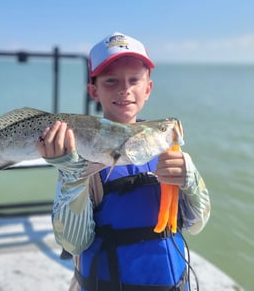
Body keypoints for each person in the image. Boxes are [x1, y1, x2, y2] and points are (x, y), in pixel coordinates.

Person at [36, 32, 211, 291]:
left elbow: (196, 223)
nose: (124, 89)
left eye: (134, 80)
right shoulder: (79, 156)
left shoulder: (167, 150)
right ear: (93, 91)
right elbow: (73, 243)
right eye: (111, 81)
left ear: (148, 88)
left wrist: (191, 180)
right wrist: (72, 172)